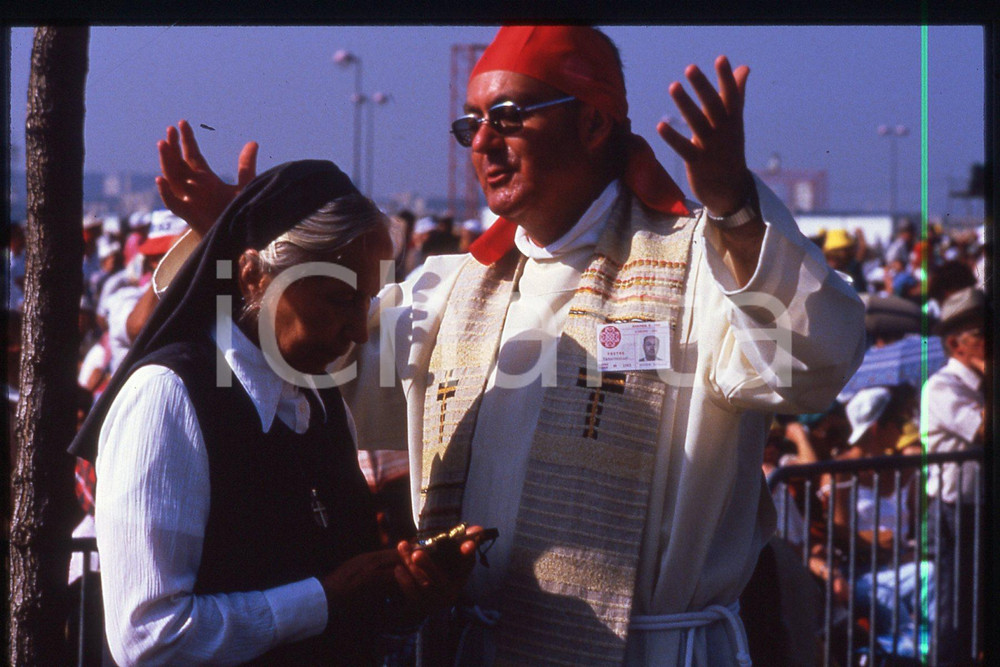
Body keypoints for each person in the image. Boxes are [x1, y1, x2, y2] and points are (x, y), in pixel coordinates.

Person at [151, 26, 865, 666]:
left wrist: (737, 209)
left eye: (509, 118)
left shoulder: (702, 268)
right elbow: (303, 365)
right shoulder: (449, 290)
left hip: (651, 647)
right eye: (472, 125)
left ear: (591, 122)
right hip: (472, 642)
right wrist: (242, 255)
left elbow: (811, 365)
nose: (484, 143)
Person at [70, 161, 478, 665]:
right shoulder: (170, 397)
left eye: (366, 302)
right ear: (253, 276)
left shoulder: (321, 403)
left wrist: (407, 590)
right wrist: (324, 597)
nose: (359, 331)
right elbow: (149, 637)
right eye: (338, 299)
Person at [923, 286, 986, 665]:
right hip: (955, 512)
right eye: (982, 336)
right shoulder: (944, 387)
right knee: (954, 607)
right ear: (956, 344)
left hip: (979, 508)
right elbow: (983, 430)